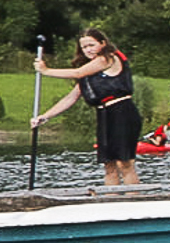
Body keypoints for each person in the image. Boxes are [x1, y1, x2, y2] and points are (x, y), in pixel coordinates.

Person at [33, 29, 143, 188]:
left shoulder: (107, 58)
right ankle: (110, 200)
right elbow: (71, 97)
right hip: (104, 115)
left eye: (92, 45)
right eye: (84, 47)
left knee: (124, 163)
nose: (88, 50)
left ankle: (134, 198)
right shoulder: (89, 71)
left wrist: (46, 71)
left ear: (102, 43)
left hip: (122, 112)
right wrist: (44, 117)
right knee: (109, 165)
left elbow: (77, 72)